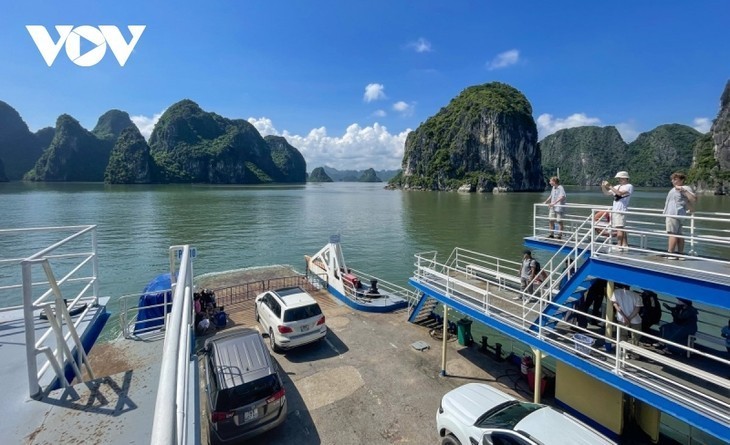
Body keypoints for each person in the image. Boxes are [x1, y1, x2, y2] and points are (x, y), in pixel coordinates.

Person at [663, 172, 697, 259]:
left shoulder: (684, 188)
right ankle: (680, 253)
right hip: (679, 214)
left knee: (672, 234)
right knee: (679, 234)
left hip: (673, 214)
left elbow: (694, 199)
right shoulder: (676, 189)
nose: (673, 181)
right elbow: (687, 201)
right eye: (672, 179)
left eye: (675, 179)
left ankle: (671, 254)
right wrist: (690, 208)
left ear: (682, 180)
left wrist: (683, 190)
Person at [601, 171, 633, 250]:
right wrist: (603, 187)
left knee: (619, 228)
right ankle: (625, 244)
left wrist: (610, 186)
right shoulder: (617, 186)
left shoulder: (629, 186)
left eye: (620, 178)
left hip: (621, 210)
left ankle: (619, 245)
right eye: (618, 179)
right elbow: (607, 193)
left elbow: (619, 194)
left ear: (625, 178)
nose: (619, 180)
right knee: (621, 228)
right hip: (615, 210)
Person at [610, 283, 643, 357]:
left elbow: (615, 305)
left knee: (622, 336)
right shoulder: (636, 295)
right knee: (635, 337)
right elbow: (637, 309)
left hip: (622, 319)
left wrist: (624, 317)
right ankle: (635, 354)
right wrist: (629, 318)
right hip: (635, 320)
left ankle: (623, 352)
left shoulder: (616, 292)